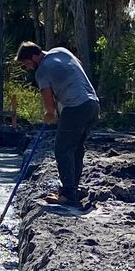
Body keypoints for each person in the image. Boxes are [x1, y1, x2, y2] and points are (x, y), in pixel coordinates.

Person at [15, 41, 99, 207]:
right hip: (93, 104)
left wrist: (48, 114)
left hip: (75, 107)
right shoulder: (60, 51)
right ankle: (72, 189)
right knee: (76, 148)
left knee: (62, 149)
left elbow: (50, 107)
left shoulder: (42, 71)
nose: (28, 68)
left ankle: (67, 194)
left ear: (34, 57)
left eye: (26, 63)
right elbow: (76, 67)